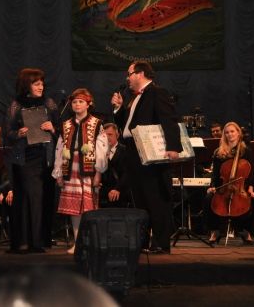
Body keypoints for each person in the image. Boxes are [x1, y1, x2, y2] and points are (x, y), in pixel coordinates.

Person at [111, 61, 181, 254]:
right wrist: (119, 109)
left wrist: (173, 147)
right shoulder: (135, 98)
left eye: (129, 74)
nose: (127, 78)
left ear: (140, 73)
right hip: (133, 151)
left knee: (155, 197)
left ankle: (160, 242)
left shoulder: (157, 92)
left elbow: (169, 119)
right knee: (139, 198)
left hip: (151, 152)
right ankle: (142, 241)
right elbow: (126, 126)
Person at [5, 68, 58, 253]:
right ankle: (27, 241)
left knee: (42, 197)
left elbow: (62, 129)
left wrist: (53, 128)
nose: (41, 87)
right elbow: (8, 133)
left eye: (42, 83)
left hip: (46, 157)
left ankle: (38, 240)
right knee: (29, 197)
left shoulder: (49, 103)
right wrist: (18, 133)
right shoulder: (16, 105)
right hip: (25, 158)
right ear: (27, 85)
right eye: (36, 84)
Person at [53, 88, 108, 254]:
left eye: (81, 101)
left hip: (88, 169)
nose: (77, 104)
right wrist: (58, 172)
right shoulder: (66, 125)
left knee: (88, 208)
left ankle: (89, 242)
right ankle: (78, 242)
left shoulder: (97, 124)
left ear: (88, 104)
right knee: (74, 208)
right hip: (70, 169)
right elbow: (59, 149)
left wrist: (98, 172)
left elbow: (102, 150)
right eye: (75, 102)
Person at [205, 122, 254, 244]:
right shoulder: (219, 152)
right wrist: (212, 187)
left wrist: (251, 188)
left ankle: (245, 231)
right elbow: (215, 174)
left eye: (232, 131)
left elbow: (252, 173)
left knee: (253, 200)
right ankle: (215, 230)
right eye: (227, 132)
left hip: (241, 187)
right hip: (223, 187)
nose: (230, 134)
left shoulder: (246, 151)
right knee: (209, 198)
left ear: (238, 133)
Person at [99, 123, 131, 208]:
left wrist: (117, 189)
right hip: (103, 196)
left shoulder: (125, 150)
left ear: (117, 135)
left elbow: (127, 173)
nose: (107, 137)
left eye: (110, 134)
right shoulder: (98, 152)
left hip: (121, 195)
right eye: (104, 135)